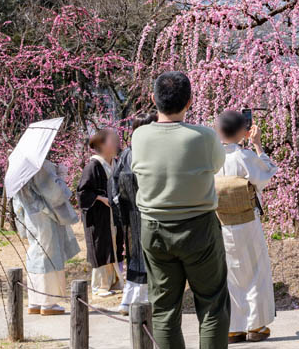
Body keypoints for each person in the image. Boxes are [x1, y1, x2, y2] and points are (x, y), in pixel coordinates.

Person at [132, 71, 229, 349]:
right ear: (190, 101)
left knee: (164, 309)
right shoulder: (204, 137)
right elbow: (215, 167)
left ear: (153, 99)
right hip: (199, 227)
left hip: (154, 229)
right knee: (212, 303)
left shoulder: (139, 136)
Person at [215, 110, 278, 343]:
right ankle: (256, 326)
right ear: (243, 131)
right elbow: (266, 174)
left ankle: (233, 327)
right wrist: (258, 145)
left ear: (218, 130)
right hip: (246, 220)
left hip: (220, 221)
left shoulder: (211, 158)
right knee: (255, 271)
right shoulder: (245, 156)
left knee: (229, 272)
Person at [12, 157, 80, 315]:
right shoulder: (40, 164)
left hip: (30, 214)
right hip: (45, 215)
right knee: (49, 254)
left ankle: (35, 301)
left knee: (36, 252)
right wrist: (60, 176)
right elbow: (54, 193)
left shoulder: (18, 164)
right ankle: (48, 303)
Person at [112, 111, 157, 315]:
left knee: (134, 254)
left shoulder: (126, 153)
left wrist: (119, 203)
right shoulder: (149, 152)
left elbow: (114, 182)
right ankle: (144, 300)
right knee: (146, 254)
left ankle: (128, 301)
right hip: (147, 211)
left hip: (130, 213)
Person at [77, 128, 124, 297]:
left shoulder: (115, 162)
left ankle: (114, 281)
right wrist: (99, 197)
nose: (116, 143)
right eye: (112, 140)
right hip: (99, 215)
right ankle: (100, 286)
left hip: (113, 213)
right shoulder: (93, 165)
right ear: (102, 145)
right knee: (101, 246)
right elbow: (82, 192)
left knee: (116, 245)